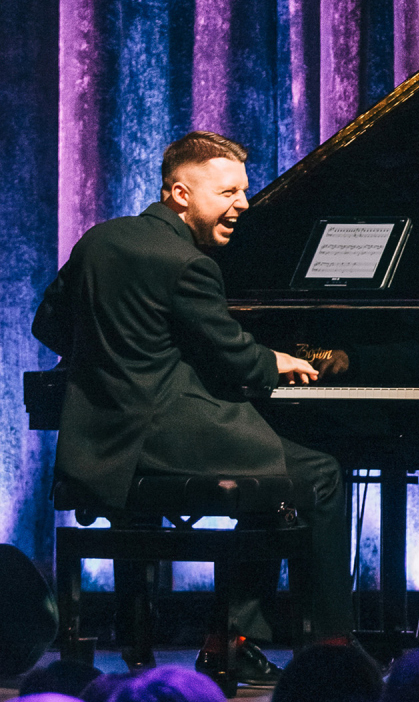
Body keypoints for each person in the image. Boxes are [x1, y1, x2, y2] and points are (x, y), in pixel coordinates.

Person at [32, 131, 353, 685]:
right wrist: (274, 359)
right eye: (228, 192)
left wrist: (114, 360)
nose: (244, 204)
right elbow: (237, 361)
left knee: (271, 483)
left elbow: (49, 325)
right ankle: (332, 648)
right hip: (165, 437)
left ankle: (228, 638)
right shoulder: (190, 264)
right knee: (319, 474)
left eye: (243, 191)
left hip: (99, 442)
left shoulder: (99, 240)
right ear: (181, 194)